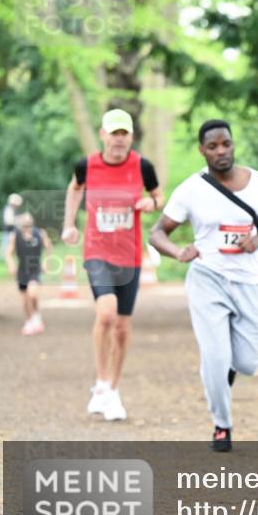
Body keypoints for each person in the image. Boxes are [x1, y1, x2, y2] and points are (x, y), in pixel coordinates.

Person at [150, 120, 258, 452]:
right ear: (202, 150)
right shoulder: (192, 189)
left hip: (251, 281)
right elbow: (157, 232)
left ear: (233, 144)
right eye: (213, 146)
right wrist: (179, 251)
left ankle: (224, 373)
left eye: (225, 144)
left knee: (248, 362)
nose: (221, 151)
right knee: (216, 356)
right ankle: (222, 425)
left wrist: (256, 240)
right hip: (208, 278)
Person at [62, 109, 164, 421]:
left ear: (131, 137)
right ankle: (102, 383)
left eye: (124, 133)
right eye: (113, 133)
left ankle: (113, 390)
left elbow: (159, 195)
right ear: (103, 135)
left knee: (122, 326)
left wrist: (152, 203)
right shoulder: (87, 165)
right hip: (97, 250)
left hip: (130, 255)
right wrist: (69, 224)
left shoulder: (142, 166)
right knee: (105, 313)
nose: (119, 139)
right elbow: (74, 189)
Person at [4, 212, 53, 335]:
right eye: (24, 225)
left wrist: (46, 263)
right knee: (25, 299)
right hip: (22, 270)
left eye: (29, 224)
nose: (27, 227)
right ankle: (30, 320)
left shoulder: (40, 234)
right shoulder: (15, 236)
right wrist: (11, 265)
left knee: (32, 294)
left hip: (35, 269)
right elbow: (8, 253)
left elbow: (49, 249)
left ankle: (34, 318)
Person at [0, 193, 23, 258]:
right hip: (8, 231)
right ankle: (3, 259)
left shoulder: (13, 210)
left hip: (12, 231)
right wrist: (18, 221)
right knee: (5, 247)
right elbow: (8, 221)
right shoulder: (8, 209)